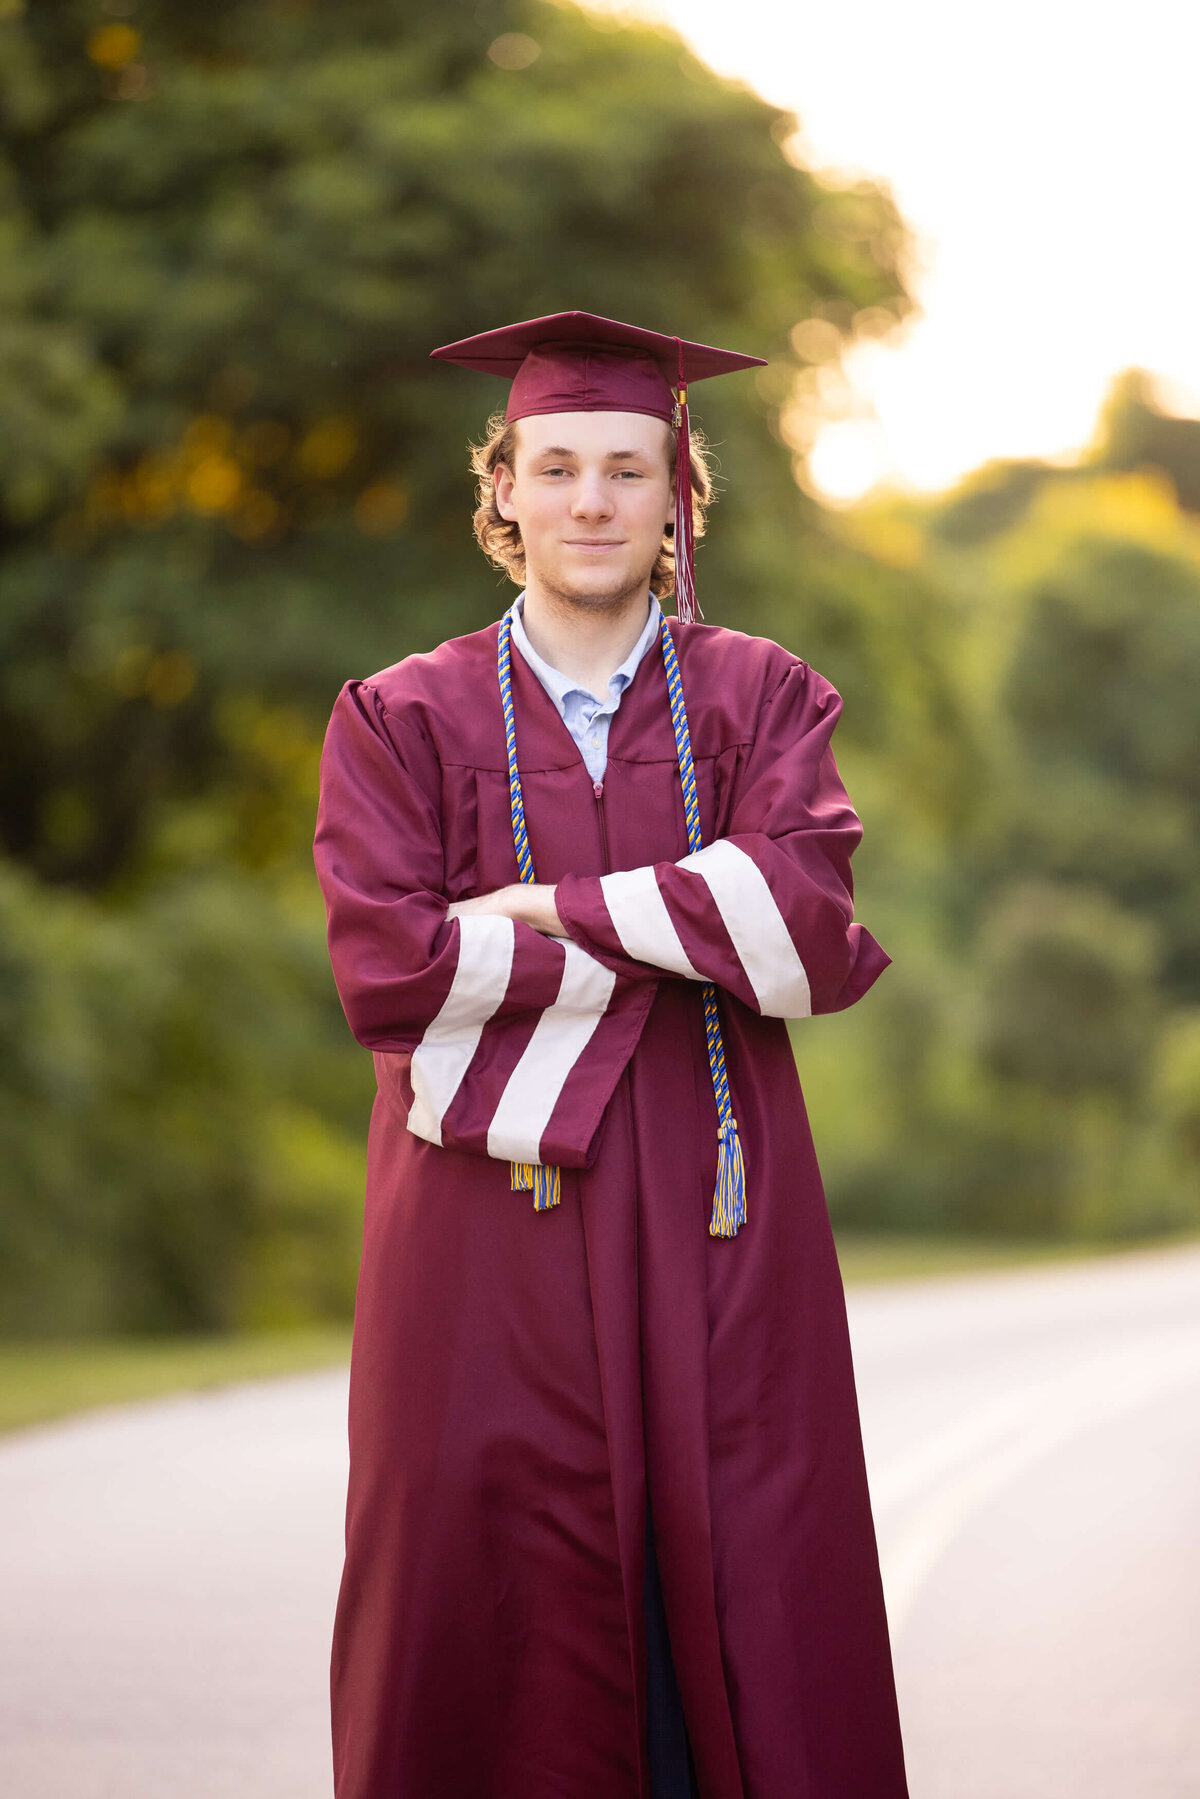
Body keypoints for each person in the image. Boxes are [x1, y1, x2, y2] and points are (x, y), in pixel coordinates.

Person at [313, 310, 910, 1799]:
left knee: (751, 1539)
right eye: (559, 466)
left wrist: (541, 912)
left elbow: (809, 923)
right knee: (480, 1538)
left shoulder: (758, 696)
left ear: (676, 496)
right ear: (502, 487)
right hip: (477, 1221)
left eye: (628, 471)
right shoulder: (399, 715)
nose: (592, 501)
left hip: (718, 1197)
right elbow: (391, 965)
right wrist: (678, 922)